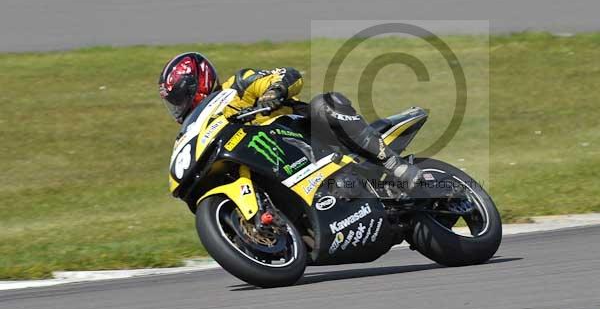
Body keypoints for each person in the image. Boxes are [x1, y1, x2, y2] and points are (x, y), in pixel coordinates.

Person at [158, 52, 421, 189]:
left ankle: (392, 164)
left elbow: (286, 74)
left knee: (324, 103)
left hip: (310, 138)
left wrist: (274, 93)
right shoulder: (202, 125)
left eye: (180, 98)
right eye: (174, 103)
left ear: (198, 84)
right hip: (271, 163)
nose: (178, 107)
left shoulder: (236, 87)